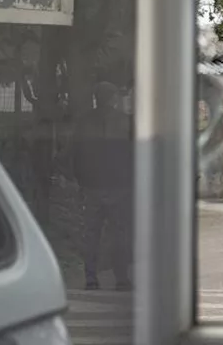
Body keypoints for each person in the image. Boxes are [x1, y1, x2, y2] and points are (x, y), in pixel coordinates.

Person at [74, 81, 133, 290]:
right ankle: (121, 278)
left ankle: (91, 278)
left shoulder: (84, 123)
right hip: (119, 186)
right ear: (113, 98)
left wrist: (81, 180)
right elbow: (133, 154)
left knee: (91, 234)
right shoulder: (126, 122)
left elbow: (76, 154)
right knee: (120, 233)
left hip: (92, 186)